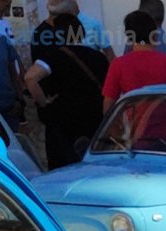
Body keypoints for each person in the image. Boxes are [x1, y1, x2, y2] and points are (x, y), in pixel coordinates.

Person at [25, 11, 109, 168]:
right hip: (95, 119)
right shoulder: (99, 57)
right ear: (81, 32)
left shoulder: (54, 56)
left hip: (64, 123)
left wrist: (44, 103)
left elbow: (30, 78)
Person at [102, 9, 166, 112]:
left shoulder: (118, 66)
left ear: (129, 38)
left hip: (136, 126)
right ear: (155, 36)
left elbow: (108, 105)